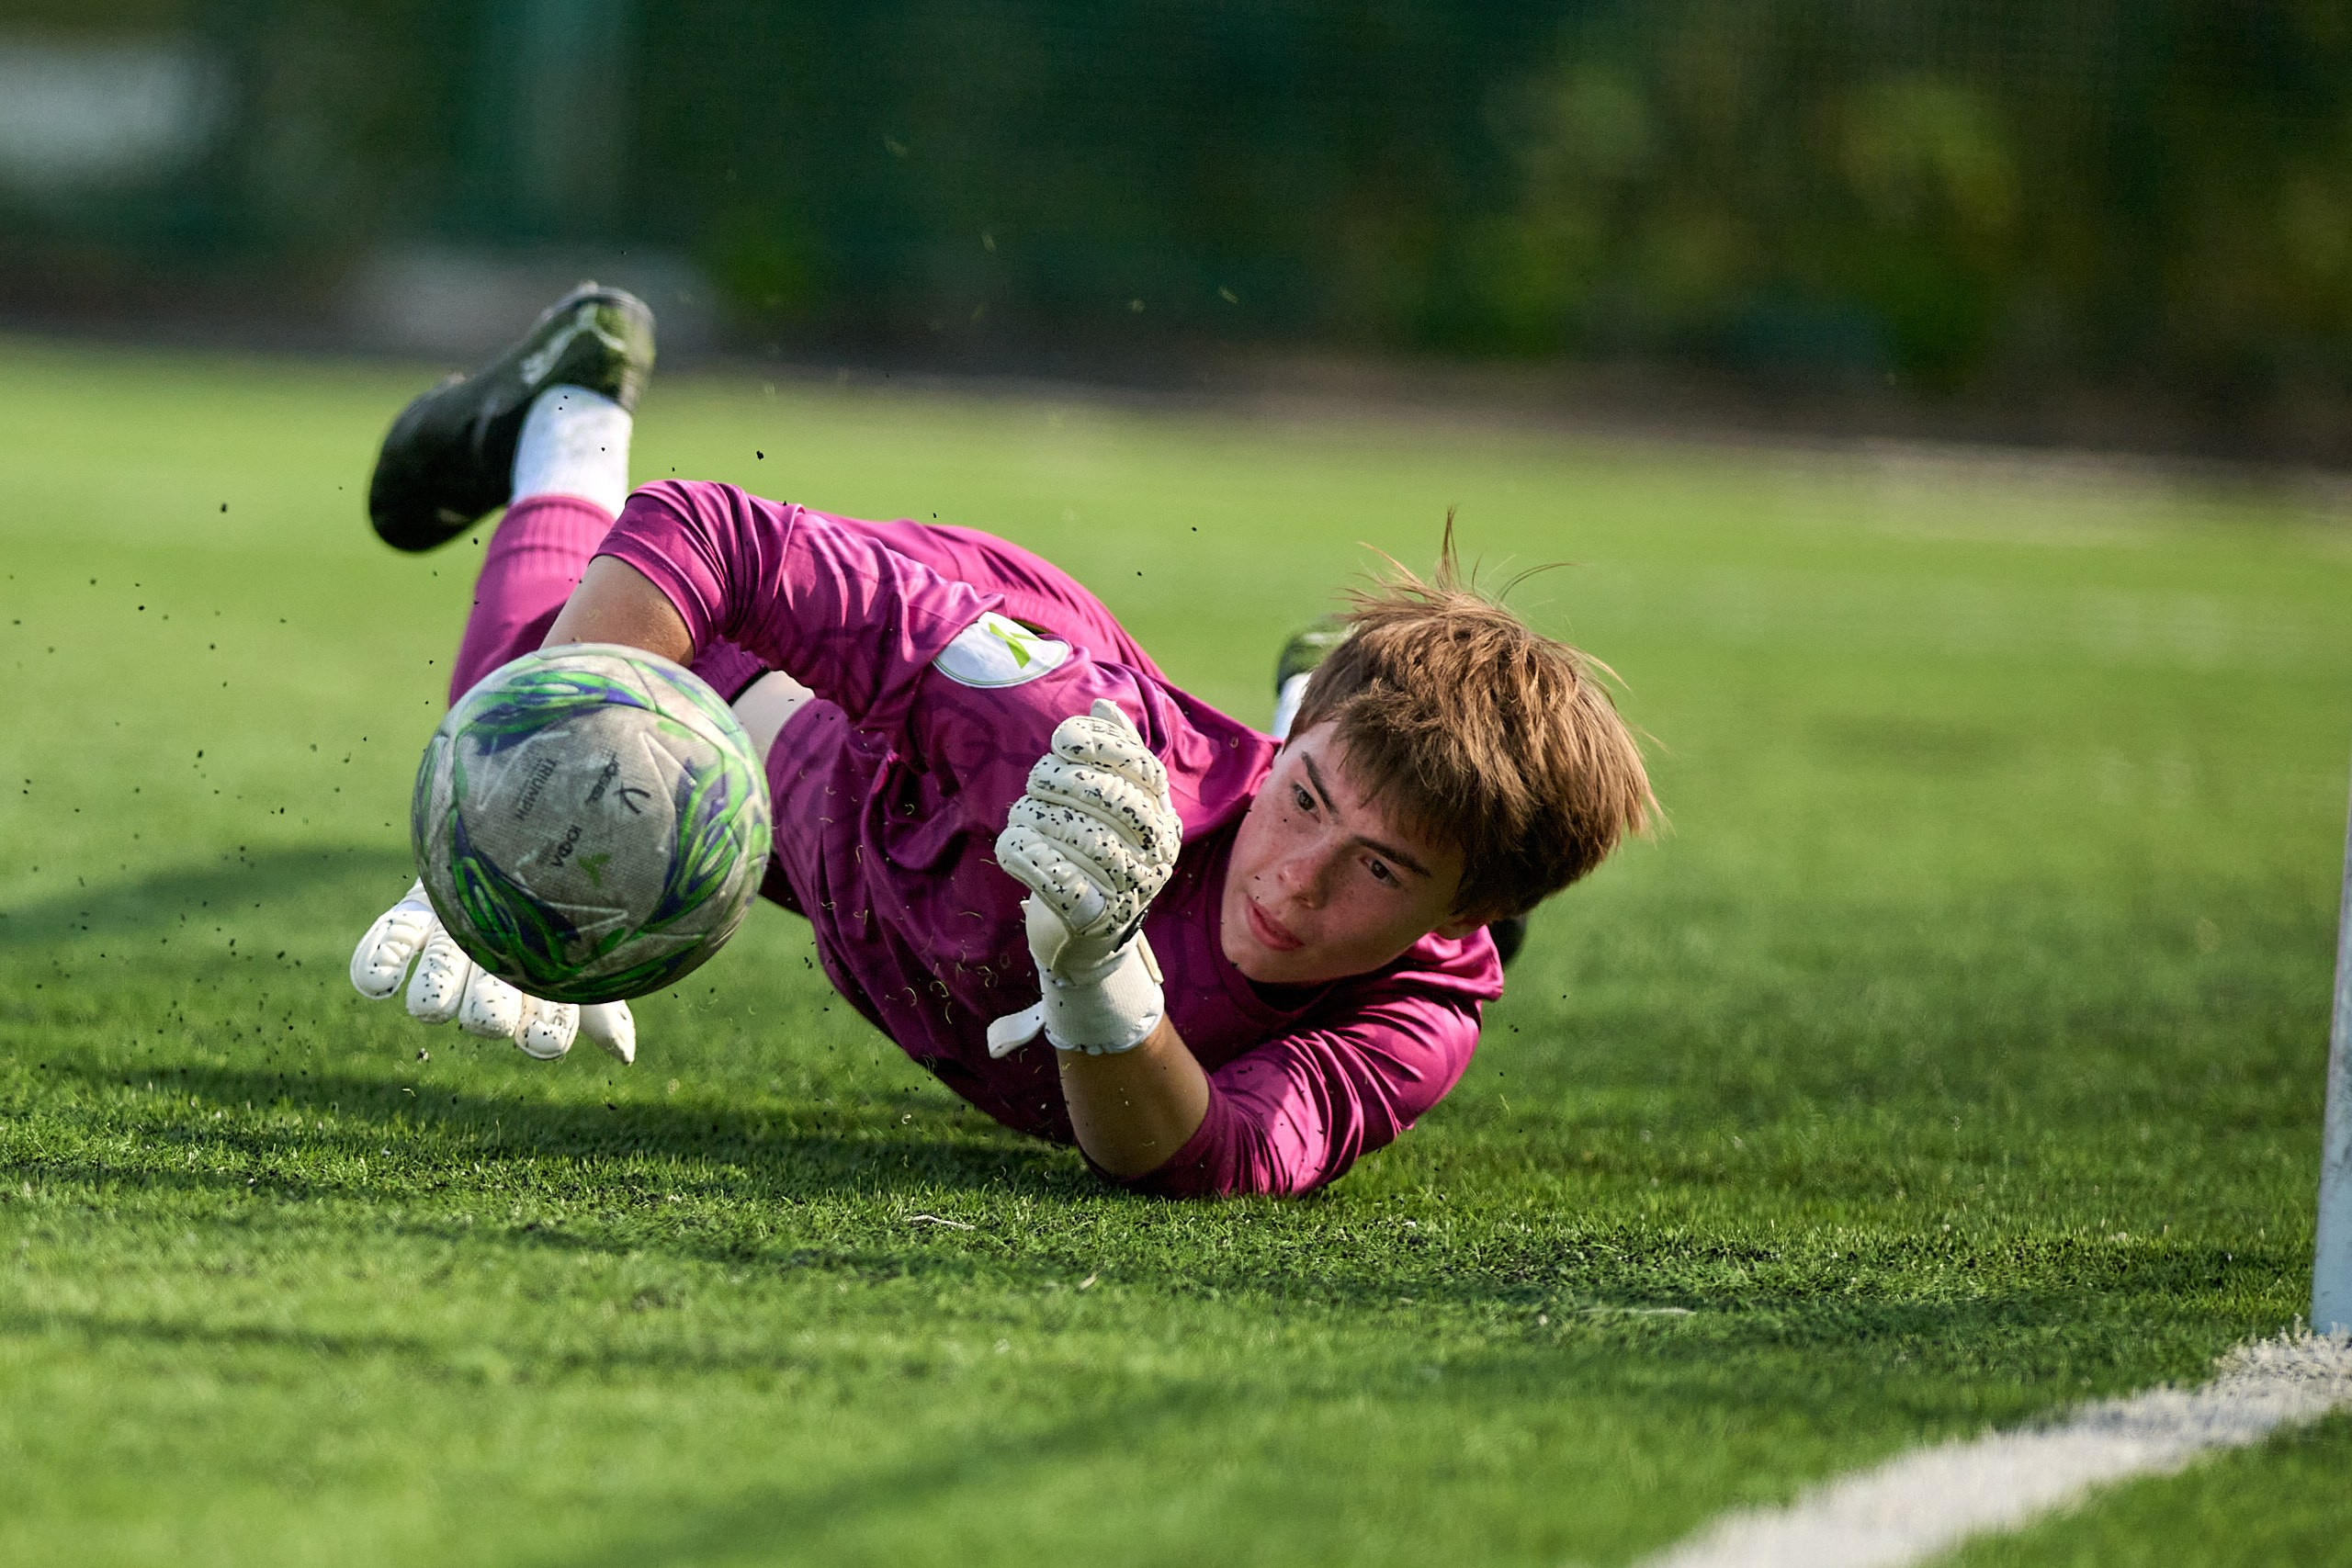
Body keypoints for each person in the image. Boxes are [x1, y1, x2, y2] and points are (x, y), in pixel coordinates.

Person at [350, 286, 1654, 1198]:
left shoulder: (1414, 1013)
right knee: (522, 705)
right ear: (1293, 747)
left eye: (1380, 869)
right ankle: (572, 414)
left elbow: (1203, 1162)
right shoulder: (1043, 719)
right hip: (842, 744)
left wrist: (1103, 986)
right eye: (1307, 799)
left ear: (1458, 917)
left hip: (934, 885)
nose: (1297, 884)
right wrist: (544, 784)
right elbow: (707, 533)